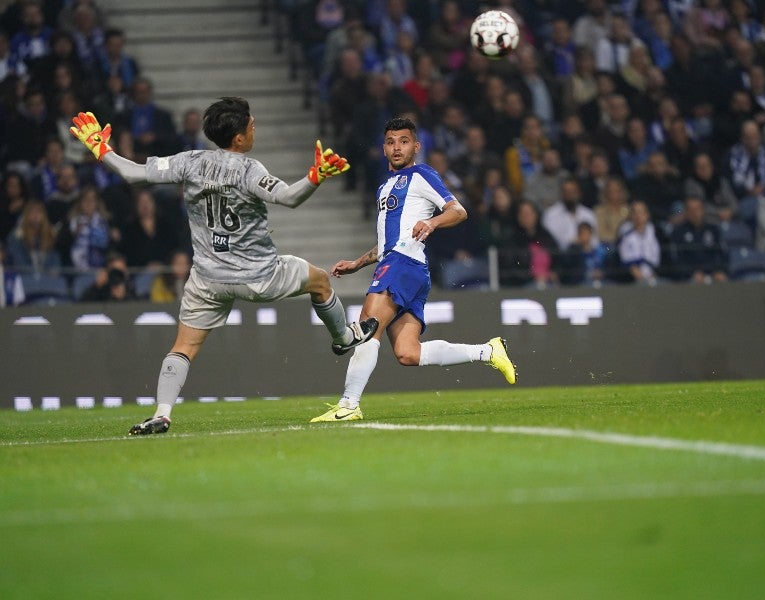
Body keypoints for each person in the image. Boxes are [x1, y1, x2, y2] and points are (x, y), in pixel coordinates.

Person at [68, 97, 377, 435]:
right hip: (259, 275)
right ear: (240, 139)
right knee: (319, 280)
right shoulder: (249, 170)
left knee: (183, 347)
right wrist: (315, 177)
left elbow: (133, 174)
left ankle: (162, 412)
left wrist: (102, 150)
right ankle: (344, 337)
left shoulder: (190, 161)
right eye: (252, 125)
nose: (254, 128)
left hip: (208, 278)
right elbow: (288, 197)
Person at [310, 116, 517, 423]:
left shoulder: (421, 174)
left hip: (404, 264)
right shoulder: (385, 186)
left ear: (416, 146)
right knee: (408, 353)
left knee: (367, 328)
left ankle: (349, 404)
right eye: (391, 142)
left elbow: (458, 210)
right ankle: (489, 351)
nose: (397, 148)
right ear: (383, 148)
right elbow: (387, 242)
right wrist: (357, 263)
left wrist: (432, 222)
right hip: (405, 266)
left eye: (404, 141)